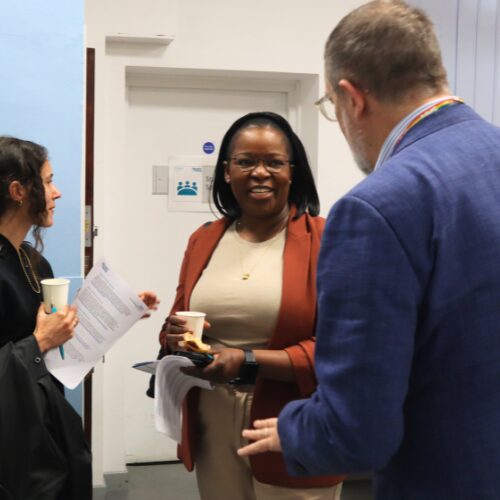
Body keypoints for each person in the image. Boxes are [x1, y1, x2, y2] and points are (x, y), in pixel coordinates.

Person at [238, 2, 500, 499]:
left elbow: (356, 432)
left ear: (351, 97)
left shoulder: (378, 209)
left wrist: (297, 428)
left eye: (331, 108)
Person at [152, 112, 345, 500]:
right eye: (245, 162)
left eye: (274, 162)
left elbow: (341, 347)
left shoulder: (326, 239)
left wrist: (248, 360)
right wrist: (173, 335)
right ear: (226, 172)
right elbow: (175, 319)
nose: (260, 172)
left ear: (293, 172)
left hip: (292, 418)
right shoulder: (203, 239)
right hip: (211, 418)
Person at [0, 136, 158, 500]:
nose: (56, 193)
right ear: (18, 191)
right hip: (11, 441)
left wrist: (119, 312)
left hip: (43, 419)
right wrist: (41, 341)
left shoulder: (32, 261)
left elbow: (51, 344)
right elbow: (37, 343)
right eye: (49, 180)